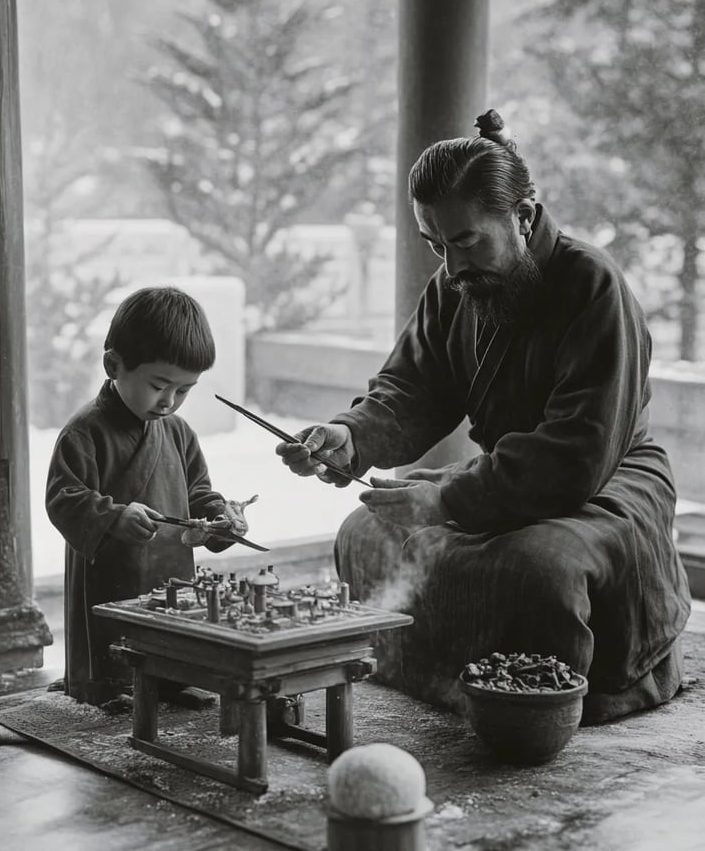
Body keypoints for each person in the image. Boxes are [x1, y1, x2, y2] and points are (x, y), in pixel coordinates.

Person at [277, 110, 691, 723]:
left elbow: (578, 452)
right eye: (436, 245)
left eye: (467, 241)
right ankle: (444, 679)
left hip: (606, 481)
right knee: (364, 534)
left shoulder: (592, 287)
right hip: (503, 478)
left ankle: (550, 701)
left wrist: (446, 499)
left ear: (522, 218)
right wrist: (350, 436)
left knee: (537, 568)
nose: (451, 265)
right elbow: (411, 388)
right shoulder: (455, 287)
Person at [47, 286, 250, 706]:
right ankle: (106, 687)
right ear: (113, 365)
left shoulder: (178, 432)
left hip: (170, 564)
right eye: (159, 386)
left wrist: (220, 519)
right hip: (111, 568)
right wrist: (113, 517)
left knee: (173, 628)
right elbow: (63, 498)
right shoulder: (85, 431)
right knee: (115, 646)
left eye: (184, 391)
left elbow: (198, 492)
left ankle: (174, 683)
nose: (170, 402)